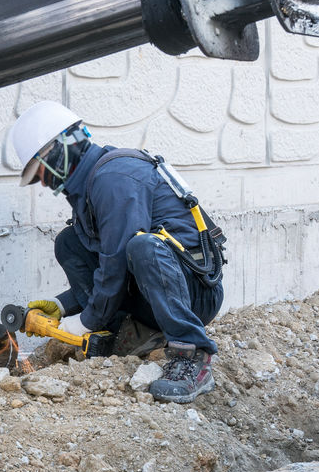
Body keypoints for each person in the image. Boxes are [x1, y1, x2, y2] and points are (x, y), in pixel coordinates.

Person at [11, 100, 225, 403]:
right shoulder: (90, 185)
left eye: (41, 173)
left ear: (57, 153)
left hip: (195, 294)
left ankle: (193, 358)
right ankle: (118, 336)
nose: (43, 184)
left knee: (143, 246)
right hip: (157, 291)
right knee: (69, 242)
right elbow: (106, 263)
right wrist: (61, 306)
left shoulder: (114, 178)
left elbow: (116, 263)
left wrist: (86, 320)